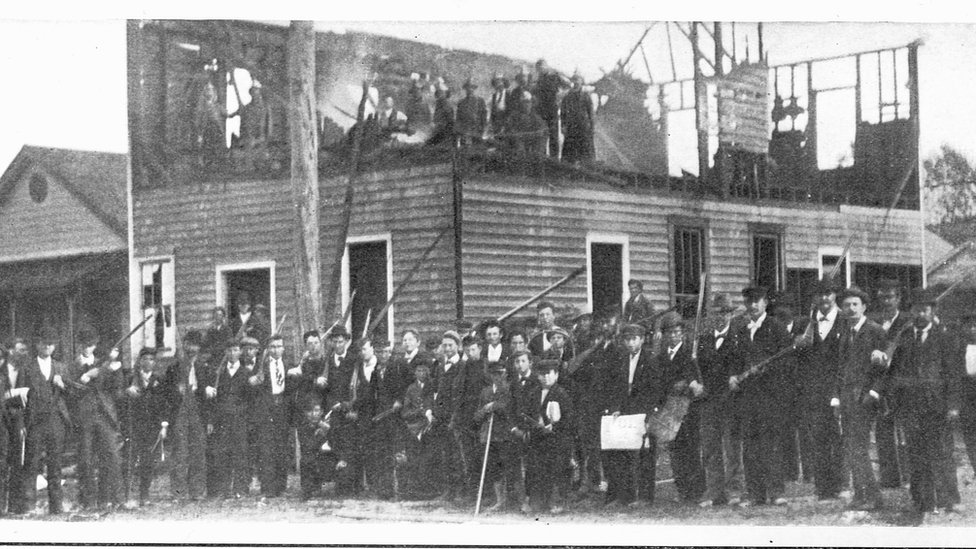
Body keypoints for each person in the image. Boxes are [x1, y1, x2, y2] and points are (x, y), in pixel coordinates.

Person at [885, 288, 962, 516]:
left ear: (932, 311)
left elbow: (953, 374)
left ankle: (950, 499)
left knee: (941, 452)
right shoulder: (905, 337)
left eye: (924, 310)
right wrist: (895, 402)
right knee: (916, 454)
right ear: (911, 312)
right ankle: (922, 501)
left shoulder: (946, 337)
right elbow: (894, 372)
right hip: (911, 406)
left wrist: (953, 405)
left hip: (937, 406)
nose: (920, 315)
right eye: (916, 311)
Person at [727, 286, 794, 506]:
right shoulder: (741, 329)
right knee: (750, 445)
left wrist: (764, 371)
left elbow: (786, 361)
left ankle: (776, 492)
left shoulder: (776, 327)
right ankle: (756, 493)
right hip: (747, 397)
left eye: (757, 301)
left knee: (771, 444)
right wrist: (733, 376)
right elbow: (735, 360)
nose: (753, 306)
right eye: (749, 302)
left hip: (770, 396)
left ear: (765, 303)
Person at [832, 286, 887, 510]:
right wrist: (836, 398)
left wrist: (873, 393)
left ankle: (873, 496)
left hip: (865, 398)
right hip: (847, 398)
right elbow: (840, 369)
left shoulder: (875, 330)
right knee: (851, 447)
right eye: (847, 305)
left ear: (864, 307)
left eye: (855, 304)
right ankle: (860, 494)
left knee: (860, 447)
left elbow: (885, 368)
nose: (851, 308)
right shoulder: (845, 333)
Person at [600, 323, 660, 507]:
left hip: (644, 412)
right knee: (621, 453)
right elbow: (616, 387)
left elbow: (655, 390)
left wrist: (648, 414)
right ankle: (622, 495)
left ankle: (644, 497)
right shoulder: (620, 359)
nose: (630, 343)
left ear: (642, 340)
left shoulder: (651, 359)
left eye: (634, 339)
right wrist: (616, 407)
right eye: (627, 339)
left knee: (645, 455)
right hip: (625, 412)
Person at [795, 279, 845, 501]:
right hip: (813, 390)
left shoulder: (845, 321)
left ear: (835, 296)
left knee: (840, 437)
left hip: (838, 388)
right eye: (820, 294)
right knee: (818, 438)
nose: (824, 299)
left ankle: (842, 484)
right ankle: (823, 487)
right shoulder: (806, 323)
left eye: (829, 294)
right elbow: (798, 357)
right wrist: (798, 344)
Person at [64, 329, 124, 512]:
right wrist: (86, 377)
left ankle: (110, 498)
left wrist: (113, 367)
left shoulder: (103, 364)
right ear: (79, 345)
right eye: (85, 345)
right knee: (86, 459)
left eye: (91, 345)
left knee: (111, 456)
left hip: (104, 415)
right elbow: (71, 392)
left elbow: (116, 388)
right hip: (84, 417)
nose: (88, 348)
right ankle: (88, 500)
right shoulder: (72, 367)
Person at [697, 293, 745, 507]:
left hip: (731, 399)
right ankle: (714, 491)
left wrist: (736, 378)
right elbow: (695, 366)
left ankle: (734, 490)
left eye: (726, 313)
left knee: (731, 447)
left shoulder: (739, 336)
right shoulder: (703, 339)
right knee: (710, 447)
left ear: (731, 314)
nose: (722, 317)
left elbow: (744, 363)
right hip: (709, 400)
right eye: (717, 313)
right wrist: (694, 382)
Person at [657, 311, 706, 503]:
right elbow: (660, 382)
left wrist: (687, 384)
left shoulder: (689, 354)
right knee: (674, 449)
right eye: (669, 332)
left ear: (682, 333)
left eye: (677, 332)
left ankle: (696, 490)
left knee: (691, 449)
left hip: (688, 408)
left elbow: (696, 380)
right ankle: (682, 488)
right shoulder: (661, 357)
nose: (673, 336)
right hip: (670, 408)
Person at [20, 328, 70, 515]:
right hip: (35, 422)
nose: (47, 346)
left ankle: (56, 507)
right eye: (43, 342)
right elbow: (21, 397)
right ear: (37, 344)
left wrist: (62, 384)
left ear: (54, 346)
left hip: (56, 421)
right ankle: (29, 506)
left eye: (51, 343)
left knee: (55, 464)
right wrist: (24, 424)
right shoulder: (27, 367)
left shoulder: (61, 367)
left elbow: (71, 394)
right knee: (31, 464)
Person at [870, 278, 910, 488]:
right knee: (883, 431)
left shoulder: (908, 321)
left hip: (901, 382)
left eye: (891, 297)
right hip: (879, 382)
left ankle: (908, 475)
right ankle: (889, 478)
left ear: (898, 299)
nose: (887, 301)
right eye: (883, 297)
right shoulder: (873, 321)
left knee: (904, 432)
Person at [521, 359, 574, 514]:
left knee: (556, 470)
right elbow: (528, 414)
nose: (545, 377)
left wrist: (553, 426)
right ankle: (536, 501)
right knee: (536, 470)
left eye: (548, 374)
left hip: (556, 439)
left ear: (556, 375)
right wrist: (532, 426)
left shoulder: (561, 393)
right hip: (538, 438)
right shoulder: (534, 393)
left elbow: (569, 418)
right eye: (542, 374)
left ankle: (556, 502)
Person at [123, 347, 170, 506]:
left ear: (154, 362)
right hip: (134, 426)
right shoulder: (130, 378)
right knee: (129, 460)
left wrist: (163, 426)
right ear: (140, 361)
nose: (148, 362)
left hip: (152, 427)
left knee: (147, 462)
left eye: (151, 359)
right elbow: (120, 399)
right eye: (145, 359)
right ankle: (125, 496)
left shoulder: (159, 380)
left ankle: (144, 495)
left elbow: (164, 405)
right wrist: (127, 391)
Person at [165, 328, 208, 502]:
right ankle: (178, 492)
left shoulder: (204, 368)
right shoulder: (174, 369)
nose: (192, 349)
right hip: (180, 414)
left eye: (196, 346)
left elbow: (208, 396)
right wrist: (176, 391)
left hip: (197, 413)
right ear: (184, 345)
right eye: (189, 345)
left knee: (198, 452)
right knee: (180, 453)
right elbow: (166, 394)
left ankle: (196, 491)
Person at [204, 339, 251, 498]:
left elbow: (249, 399)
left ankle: (240, 489)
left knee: (241, 454)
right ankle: (224, 489)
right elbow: (213, 401)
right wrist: (211, 420)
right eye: (229, 350)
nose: (232, 353)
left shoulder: (246, 373)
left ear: (240, 352)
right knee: (222, 454)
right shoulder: (218, 374)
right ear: (226, 352)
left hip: (239, 419)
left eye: (235, 350)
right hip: (222, 420)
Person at [249, 334, 291, 498]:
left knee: (281, 447)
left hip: (282, 408)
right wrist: (253, 381)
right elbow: (251, 383)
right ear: (268, 349)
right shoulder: (261, 365)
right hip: (266, 409)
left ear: (283, 348)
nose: (275, 350)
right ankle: (267, 487)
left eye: (278, 346)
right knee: (266, 449)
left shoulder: (288, 365)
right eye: (272, 347)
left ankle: (280, 485)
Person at [473, 361, 516, 512]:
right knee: (492, 467)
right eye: (495, 374)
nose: (498, 377)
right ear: (490, 375)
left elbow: (508, 407)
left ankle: (511, 500)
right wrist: (485, 410)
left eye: (501, 373)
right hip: (487, 435)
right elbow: (477, 415)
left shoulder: (509, 388)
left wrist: (495, 406)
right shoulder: (485, 392)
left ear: (505, 374)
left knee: (506, 466)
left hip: (503, 434)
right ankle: (499, 500)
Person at [368, 339, 404, 500]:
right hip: (381, 416)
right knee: (381, 453)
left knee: (395, 452)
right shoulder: (376, 370)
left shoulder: (397, 367)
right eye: (380, 352)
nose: (384, 355)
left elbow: (407, 385)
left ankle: (398, 490)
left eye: (386, 352)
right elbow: (371, 393)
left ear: (390, 352)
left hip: (395, 417)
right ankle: (384, 489)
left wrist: (399, 400)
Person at [432, 330, 465, 500]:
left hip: (456, 417)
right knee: (445, 455)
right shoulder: (439, 366)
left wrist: (456, 417)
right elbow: (437, 391)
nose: (447, 348)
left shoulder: (462, 366)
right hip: (441, 418)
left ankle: (460, 491)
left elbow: (461, 395)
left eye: (450, 345)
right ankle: (448, 490)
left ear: (458, 346)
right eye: (444, 345)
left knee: (457, 455)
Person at [400, 357, 439, 500]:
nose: (421, 373)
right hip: (414, 428)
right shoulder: (411, 389)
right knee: (414, 459)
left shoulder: (433, 385)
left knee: (429, 459)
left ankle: (430, 489)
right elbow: (405, 412)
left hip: (431, 428)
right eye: (418, 370)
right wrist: (419, 412)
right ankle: (416, 490)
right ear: (414, 372)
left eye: (424, 370)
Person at [508, 350, 537, 512]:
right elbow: (510, 409)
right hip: (517, 431)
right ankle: (522, 500)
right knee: (518, 467)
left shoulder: (537, 381)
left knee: (533, 465)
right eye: (517, 362)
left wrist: (531, 430)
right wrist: (513, 428)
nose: (520, 365)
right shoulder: (513, 383)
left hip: (533, 431)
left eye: (523, 361)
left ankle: (534, 498)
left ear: (530, 362)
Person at [2, 344, 29, 514]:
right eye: (21, 350)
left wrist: (26, 423)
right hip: (2, 418)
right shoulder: (1, 367)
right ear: (11, 351)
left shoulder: (27, 369)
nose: (24, 354)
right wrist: (14, 392)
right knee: (1, 459)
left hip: (19, 419)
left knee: (18, 461)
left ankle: (15, 506)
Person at [296, 393, 336, 501]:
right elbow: (308, 446)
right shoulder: (303, 426)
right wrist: (320, 434)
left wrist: (329, 431)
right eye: (310, 411)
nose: (314, 414)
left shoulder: (327, 423)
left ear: (322, 412)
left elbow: (337, 443)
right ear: (305, 413)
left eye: (317, 411)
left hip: (329, 459)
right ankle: (309, 489)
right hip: (312, 458)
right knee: (307, 460)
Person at [533, 59, 569, 156]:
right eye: (538, 69)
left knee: (553, 135)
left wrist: (560, 95)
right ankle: (543, 156)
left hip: (552, 109)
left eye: (541, 68)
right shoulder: (539, 80)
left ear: (546, 67)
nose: (540, 70)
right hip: (541, 110)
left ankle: (554, 158)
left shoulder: (555, 76)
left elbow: (569, 85)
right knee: (542, 134)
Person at [560, 73, 595, 164]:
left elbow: (591, 113)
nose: (576, 82)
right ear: (572, 82)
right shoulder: (567, 97)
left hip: (583, 126)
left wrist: (592, 127)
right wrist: (563, 125)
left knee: (586, 152)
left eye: (578, 80)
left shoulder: (586, 96)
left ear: (581, 82)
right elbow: (563, 113)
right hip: (571, 127)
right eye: (574, 80)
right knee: (569, 152)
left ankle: (587, 167)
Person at [500, 91, 547, 156]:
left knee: (539, 145)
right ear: (520, 104)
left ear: (531, 103)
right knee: (518, 145)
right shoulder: (513, 116)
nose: (527, 105)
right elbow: (510, 131)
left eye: (528, 102)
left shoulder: (536, 117)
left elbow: (541, 132)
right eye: (524, 102)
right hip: (518, 142)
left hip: (533, 142)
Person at [958, 314, 976, 478]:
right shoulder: (958, 348)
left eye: (975, 326)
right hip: (966, 392)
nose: (972, 329)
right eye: (969, 326)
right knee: (969, 432)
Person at [455, 78, 488, 145]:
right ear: (465, 89)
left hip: (477, 129)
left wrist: (483, 129)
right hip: (465, 130)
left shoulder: (480, 101)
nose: (470, 89)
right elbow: (458, 118)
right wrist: (458, 130)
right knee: (464, 149)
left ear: (474, 89)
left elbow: (484, 116)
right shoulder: (461, 102)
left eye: (472, 87)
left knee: (477, 149)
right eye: (468, 88)